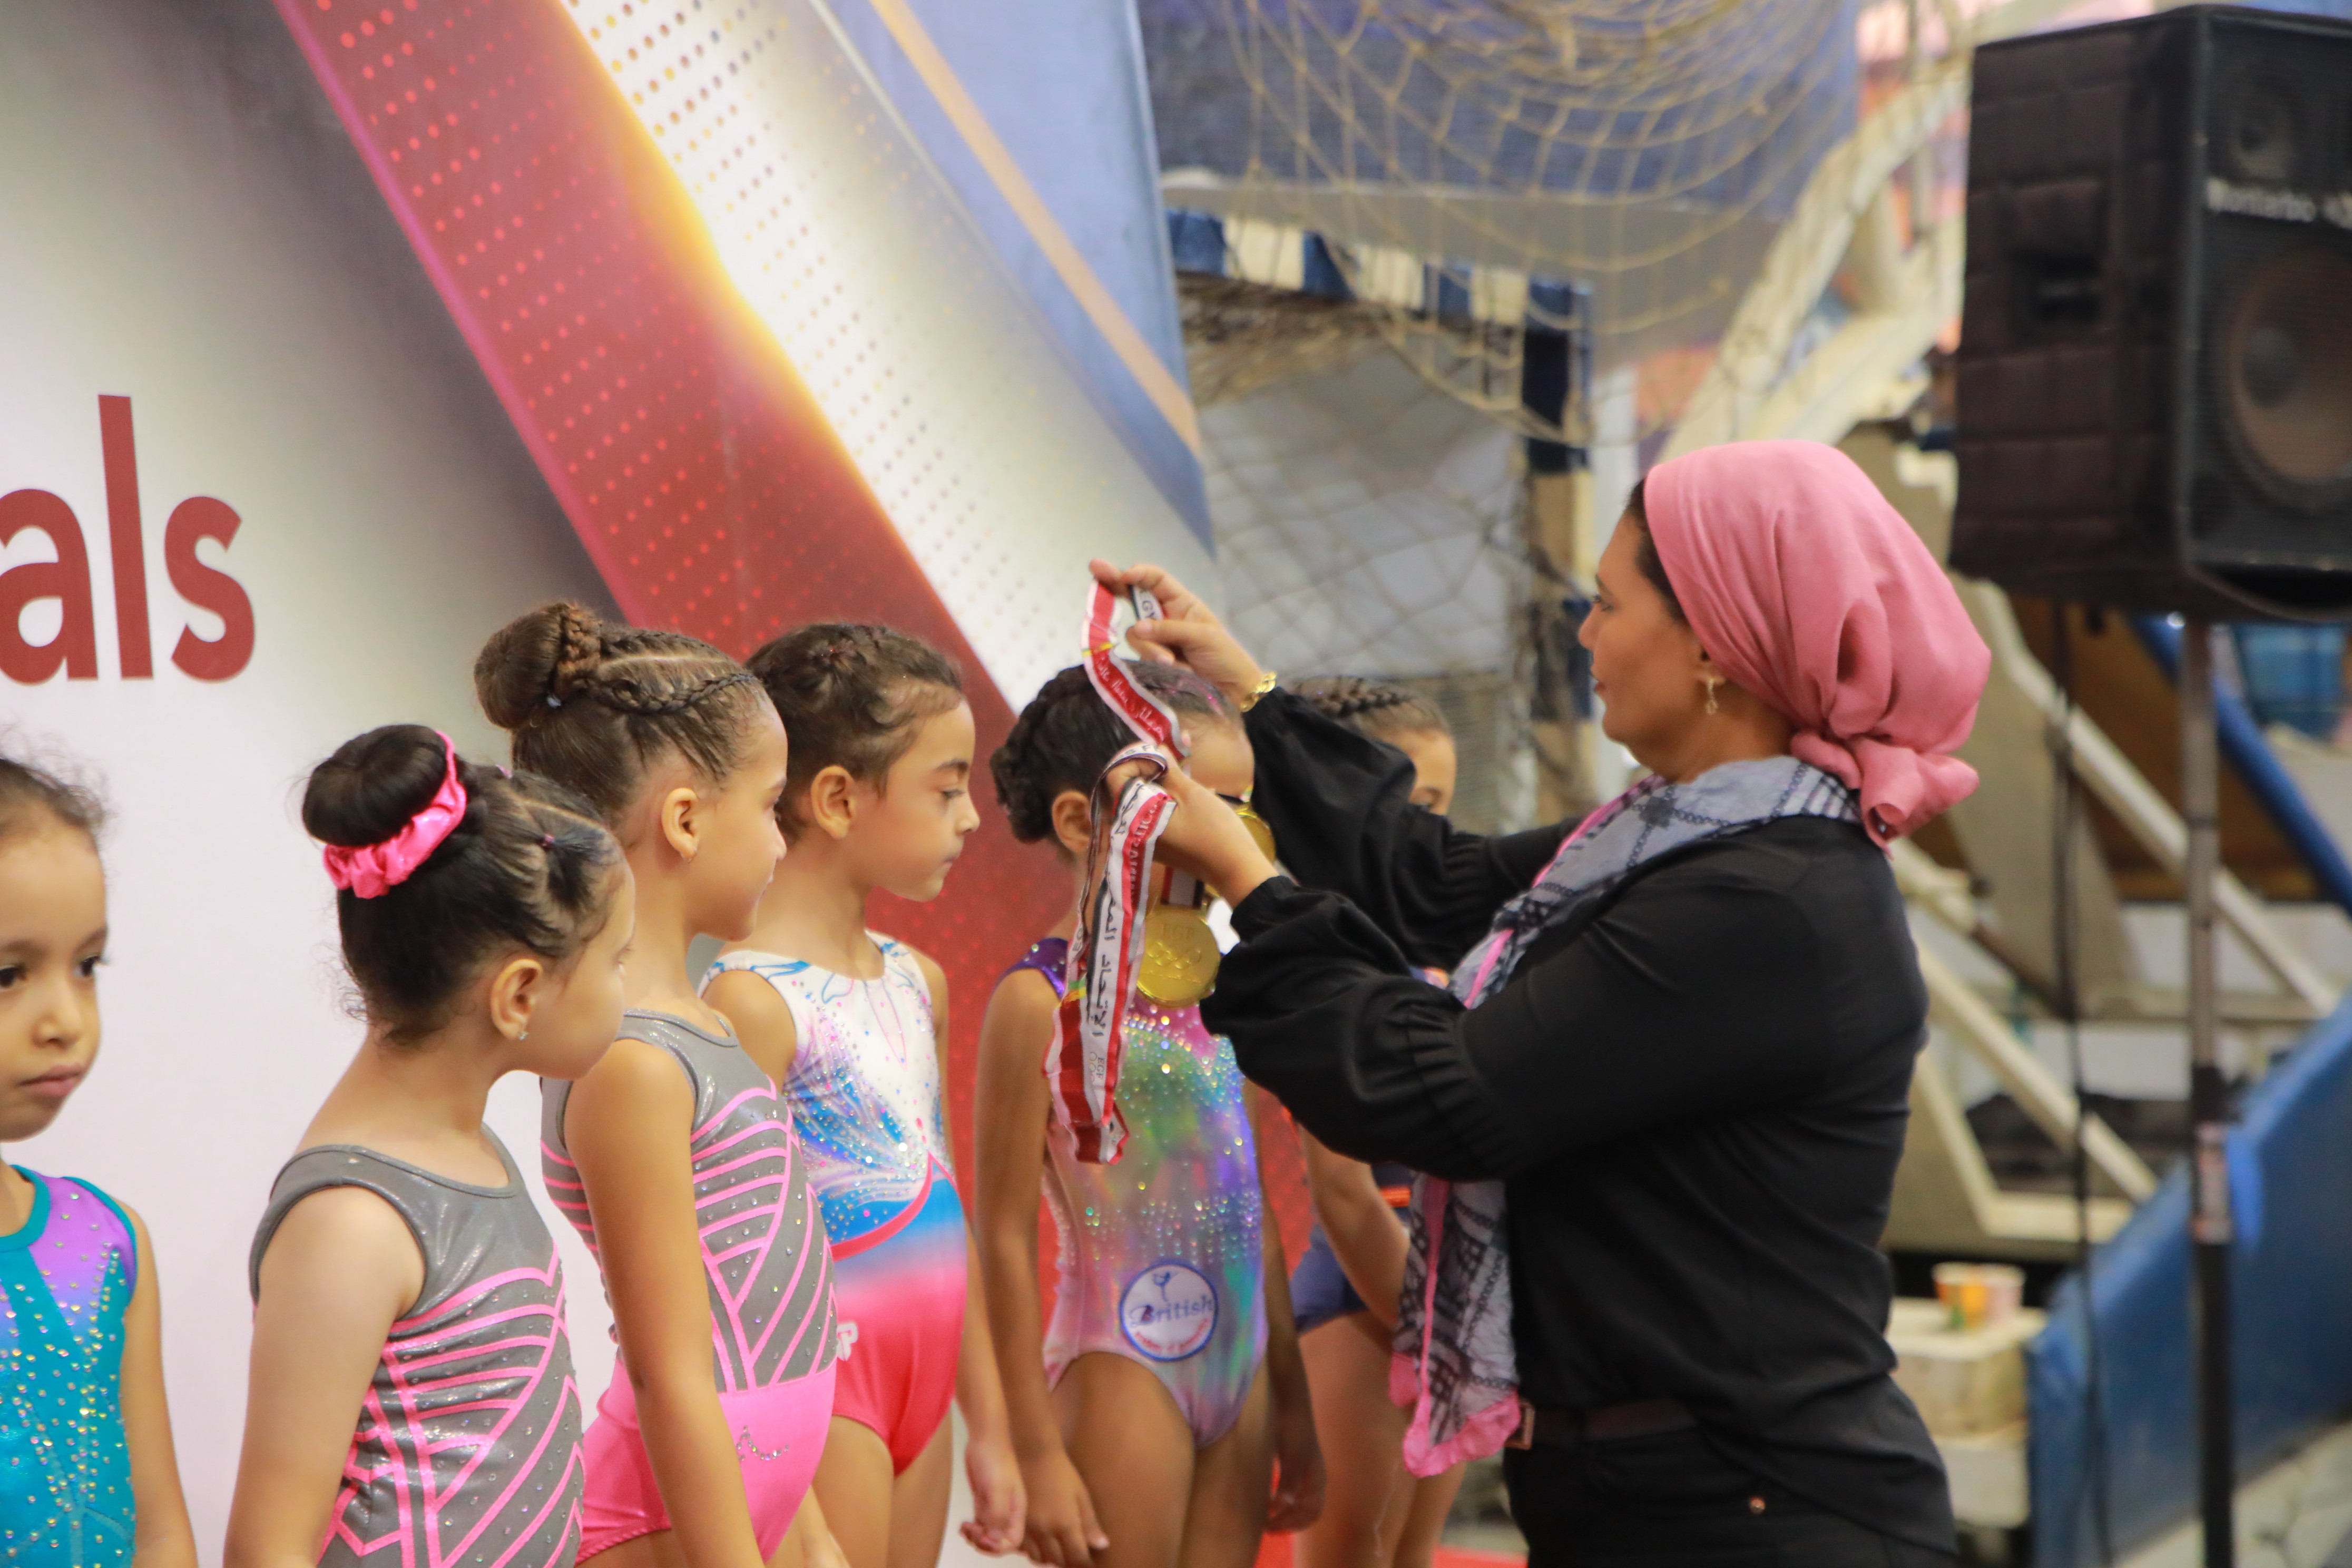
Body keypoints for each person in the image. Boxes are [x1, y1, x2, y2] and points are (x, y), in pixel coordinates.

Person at [1092, 438, 1991, 1566]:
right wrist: (1255, 705)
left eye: (1608, 604)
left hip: (1752, 1512)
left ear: (1713, 643)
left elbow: (1451, 1093)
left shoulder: (1765, 900)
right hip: (1657, 1501)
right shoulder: (1672, 838)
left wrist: (1247, 882)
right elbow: (1435, 884)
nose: (1585, 635)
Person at [476, 604, 842, 1568]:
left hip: (745, 1504)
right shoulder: (635, 1064)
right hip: (670, 1521)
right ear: (684, 820)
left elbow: (754, 1335)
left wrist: (810, 1532)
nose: (781, 843)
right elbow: (672, 1375)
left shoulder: (703, 1023)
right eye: (770, 807)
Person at [228, 726, 633, 1568]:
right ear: (520, 993)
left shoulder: (470, 1147)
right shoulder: (353, 1223)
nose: (624, 991)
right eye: (616, 962)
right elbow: (269, 1547)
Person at [972, 660, 1321, 1568]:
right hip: (1121, 1361)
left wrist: (1293, 1401)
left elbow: (1253, 1206)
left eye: (1238, 811)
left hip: (1243, 1369)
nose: (1223, 838)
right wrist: (1032, 1449)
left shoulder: (1232, 993)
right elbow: (1001, 1234)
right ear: (1081, 822)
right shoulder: (1037, 1001)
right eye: (1192, 810)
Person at [701, 623, 1025, 1568]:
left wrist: (990, 1427)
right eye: (948, 788)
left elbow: (944, 1195)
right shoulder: (751, 1002)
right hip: (826, 1384)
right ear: (839, 798)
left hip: (928, 1387)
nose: (972, 818)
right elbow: (725, 1277)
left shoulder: (919, 981)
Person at [1277, 680, 1465, 1568]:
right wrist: (1441, 1335)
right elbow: (1343, 1191)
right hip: (1369, 1298)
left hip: (1446, 1303)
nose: (1434, 833)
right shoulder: (1323, 950)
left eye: (1444, 808)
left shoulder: (1441, 945)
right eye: (1414, 804)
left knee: (1411, 1557)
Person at [0, 753, 195, 1568]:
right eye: (8, 974)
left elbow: (159, 1531)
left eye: (86, 966)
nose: (65, 1020)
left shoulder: (106, 1241)